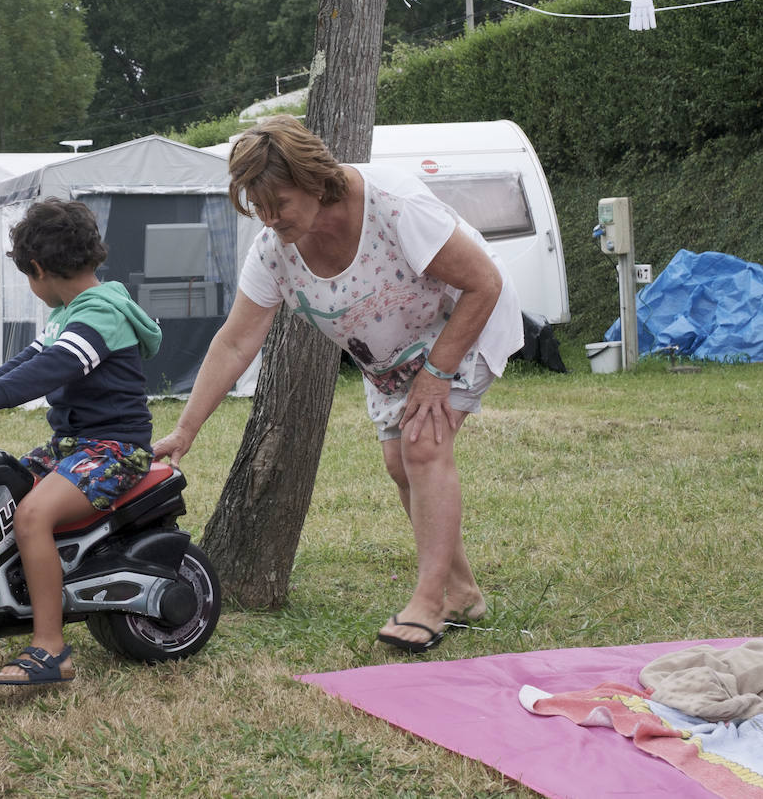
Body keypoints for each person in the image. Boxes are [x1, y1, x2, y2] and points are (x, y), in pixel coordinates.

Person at [153, 115, 522, 654]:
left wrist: (438, 376)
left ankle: (429, 603)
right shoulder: (273, 250)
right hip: (390, 357)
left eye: (277, 201)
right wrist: (185, 432)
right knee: (401, 466)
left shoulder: (394, 204)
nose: (268, 216)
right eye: (257, 205)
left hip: (458, 328)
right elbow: (235, 343)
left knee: (423, 447)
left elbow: (483, 282)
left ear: (312, 178)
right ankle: (464, 592)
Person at [0, 199, 162, 685]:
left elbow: (51, 368)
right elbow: (19, 364)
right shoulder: (71, 312)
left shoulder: (101, 313)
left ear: (36, 269)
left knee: (32, 514)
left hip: (115, 450)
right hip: (73, 445)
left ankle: (51, 648)